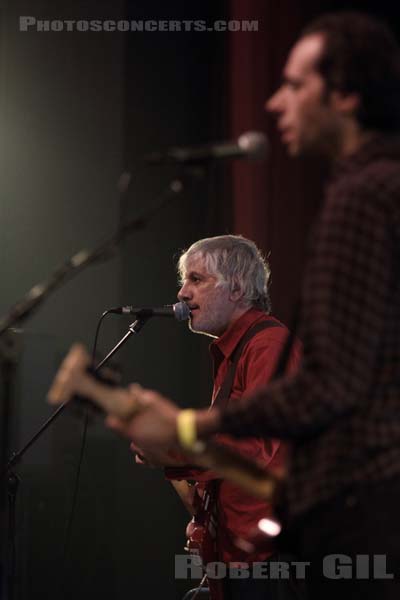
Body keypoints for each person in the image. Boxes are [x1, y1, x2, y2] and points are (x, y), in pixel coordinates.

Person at [100, 11, 400, 600]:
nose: (273, 102)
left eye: (294, 85)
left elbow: (326, 389)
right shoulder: (372, 187)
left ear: (344, 94)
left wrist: (186, 430)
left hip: (346, 520)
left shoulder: (364, 195)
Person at [130, 234, 300, 600]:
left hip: (265, 563)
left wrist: (175, 448)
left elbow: (256, 447)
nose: (182, 293)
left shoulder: (267, 345)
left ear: (236, 288)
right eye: (183, 280)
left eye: (196, 279)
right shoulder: (235, 350)